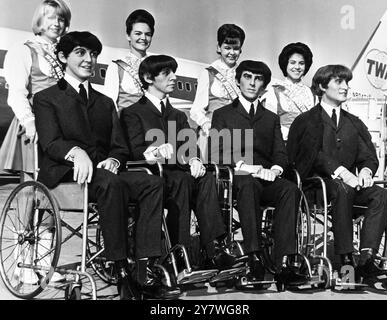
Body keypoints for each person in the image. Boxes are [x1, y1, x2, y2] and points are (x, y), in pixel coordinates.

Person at [33, 31, 180, 300]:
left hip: (103, 174)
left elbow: (119, 146)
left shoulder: (104, 102)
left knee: (151, 183)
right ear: (63, 57)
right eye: (80, 53)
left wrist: (114, 159)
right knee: (111, 183)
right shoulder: (46, 98)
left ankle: (144, 267)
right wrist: (76, 152)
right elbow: (50, 142)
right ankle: (120, 268)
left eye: (93, 54)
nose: (89, 59)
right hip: (66, 175)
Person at [120, 55, 236, 270]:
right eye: (166, 73)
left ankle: (215, 251)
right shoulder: (132, 113)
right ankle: (180, 254)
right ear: (148, 78)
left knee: (206, 178)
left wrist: (194, 159)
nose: (173, 77)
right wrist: (154, 151)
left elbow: (188, 145)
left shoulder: (178, 116)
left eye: (174, 72)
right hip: (151, 175)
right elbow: (134, 151)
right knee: (182, 181)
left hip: (177, 174)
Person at [287, 64, 387, 281]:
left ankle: (366, 259)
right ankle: (346, 261)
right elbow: (309, 155)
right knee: (342, 187)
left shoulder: (353, 123)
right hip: (315, 188)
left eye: (347, 82)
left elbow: (368, 156)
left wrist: (365, 171)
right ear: (321, 86)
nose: (346, 87)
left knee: (382, 194)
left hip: (351, 187)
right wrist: (341, 171)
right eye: (339, 82)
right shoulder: (306, 121)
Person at [210, 60, 308, 286]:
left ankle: (283, 261)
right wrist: (246, 167)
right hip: (238, 177)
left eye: (258, 79)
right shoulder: (222, 114)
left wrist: (275, 170)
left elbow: (280, 153)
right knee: (247, 184)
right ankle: (254, 257)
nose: (252, 83)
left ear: (264, 85)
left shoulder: (270, 118)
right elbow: (216, 154)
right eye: (247, 77)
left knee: (290, 190)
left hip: (266, 177)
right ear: (237, 80)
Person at [0, 0, 71, 175]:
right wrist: (29, 121)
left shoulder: (66, 55)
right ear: (40, 19)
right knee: (31, 186)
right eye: (51, 17)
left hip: (63, 127)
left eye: (61, 19)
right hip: (36, 123)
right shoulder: (23, 50)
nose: (56, 23)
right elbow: (17, 93)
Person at [189, 24, 245, 159]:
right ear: (218, 48)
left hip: (238, 135)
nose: (232, 52)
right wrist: (206, 124)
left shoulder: (244, 74)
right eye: (227, 48)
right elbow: (196, 110)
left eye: (236, 48)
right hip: (212, 133)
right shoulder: (208, 73)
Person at [103, 9, 155, 115]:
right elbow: (109, 106)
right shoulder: (116, 67)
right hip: (126, 128)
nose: (143, 38)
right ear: (128, 35)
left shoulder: (157, 67)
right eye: (138, 33)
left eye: (148, 34)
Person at [260, 42, 315, 140]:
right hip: (284, 145)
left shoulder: (311, 93)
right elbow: (267, 125)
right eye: (292, 62)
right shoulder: (273, 91)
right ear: (285, 64)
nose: (297, 67)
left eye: (301, 63)